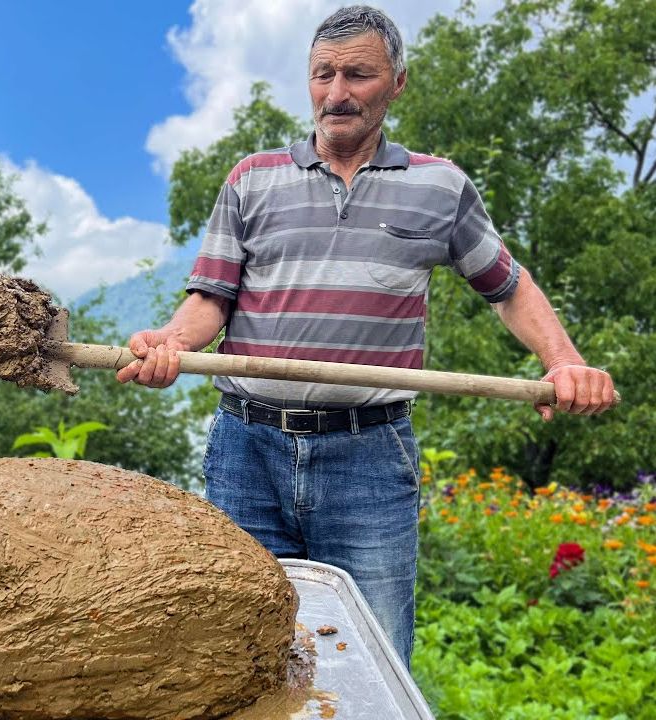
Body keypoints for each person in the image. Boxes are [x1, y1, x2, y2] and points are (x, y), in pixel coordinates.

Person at [117, 6, 616, 667]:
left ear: (397, 83)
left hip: (370, 460)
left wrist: (565, 361)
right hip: (247, 453)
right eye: (323, 74)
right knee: (238, 654)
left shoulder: (439, 186)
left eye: (358, 74)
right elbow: (210, 298)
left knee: (371, 655)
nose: (337, 92)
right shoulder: (252, 178)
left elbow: (509, 285)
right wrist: (172, 342)